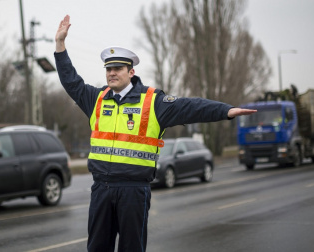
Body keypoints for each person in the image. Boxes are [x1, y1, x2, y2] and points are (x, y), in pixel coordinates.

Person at [54, 15, 256, 252]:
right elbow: (71, 82)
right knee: (97, 247)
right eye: (108, 69)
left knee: (132, 248)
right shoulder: (96, 99)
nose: (111, 73)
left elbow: (190, 107)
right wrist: (60, 45)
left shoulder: (152, 101)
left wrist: (226, 110)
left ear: (131, 71)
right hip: (101, 188)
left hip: (133, 191)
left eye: (117, 68)